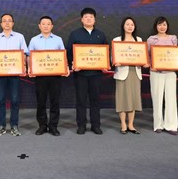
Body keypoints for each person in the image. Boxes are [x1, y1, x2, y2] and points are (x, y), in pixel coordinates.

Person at [66, 7, 108, 135]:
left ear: (94, 20)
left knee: (95, 100)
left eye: (91, 17)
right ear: (82, 19)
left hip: (96, 74)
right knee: (81, 100)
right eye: (86, 17)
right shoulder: (75, 34)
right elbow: (69, 52)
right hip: (81, 74)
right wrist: (73, 64)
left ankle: (96, 125)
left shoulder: (101, 34)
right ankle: (81, 125)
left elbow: (105, 52)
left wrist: (105, 64)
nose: (88, 19)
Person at [0, 13, 29, 136]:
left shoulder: (20, 37)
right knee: (1, 100)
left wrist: (24, 66)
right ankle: (1, 126)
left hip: (15, 74)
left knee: (15, 100)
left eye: (9, 20)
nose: (7, 23)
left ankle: (14, 126)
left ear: (13, 23)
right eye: (4, 21)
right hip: (0, 74)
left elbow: (24, 54)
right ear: (1, 24)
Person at [28, 16, 66, 136]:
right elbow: (29, 56)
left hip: (55, 76)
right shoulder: (34, 40)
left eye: (48, 24)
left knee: (55, 101)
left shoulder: (58, 39)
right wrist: (29, 68)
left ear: (52, 26)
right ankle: (42, 125)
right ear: (39, 26)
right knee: (41, 102)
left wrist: (65, 68)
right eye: (43, 24)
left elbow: (63, 56)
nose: (46, 26)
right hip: (40, 76)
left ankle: (53, 126)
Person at [113, 17, 146, 134]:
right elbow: (113, 57)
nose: (130, 26)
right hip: (122, 72)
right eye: (127, 24)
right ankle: (123, 124)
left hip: (135, 72)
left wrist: (144, 62)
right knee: (122, 99)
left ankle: (131, 125)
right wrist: (115, 62)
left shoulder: (139, 40)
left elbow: (142, 56)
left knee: (133, 99)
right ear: (123, 26)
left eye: (132, 24)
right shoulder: (117, 40)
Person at [147, 16, 178, 135]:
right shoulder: (151, 39)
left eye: (164, 24)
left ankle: (171, 125)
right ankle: (158, 125)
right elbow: (147, 55)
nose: (162, 27)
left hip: (170, 72)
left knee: (171, 99)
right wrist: (150, 64)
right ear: (156, 26)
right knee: (157, 98)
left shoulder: (173, 38)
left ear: (167, 26)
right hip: (156, 72)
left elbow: (176, 54)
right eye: (159, 24)